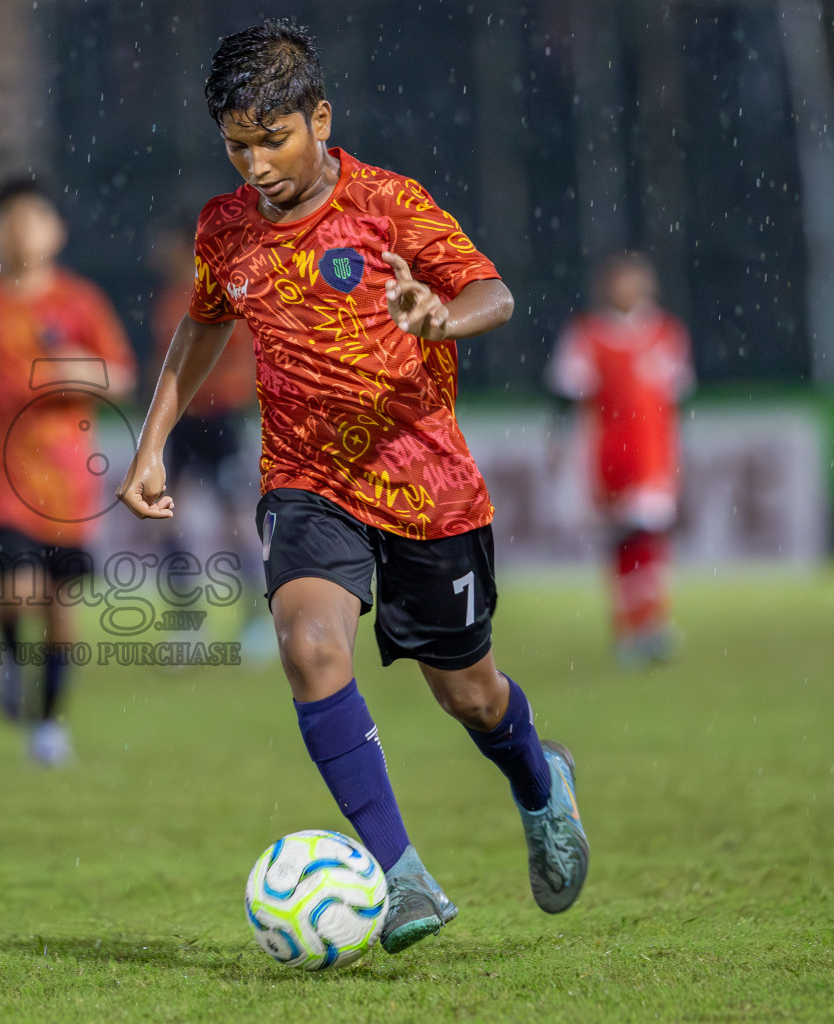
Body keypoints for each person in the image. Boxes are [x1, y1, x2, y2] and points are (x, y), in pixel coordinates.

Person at [117, 20, 589, 954]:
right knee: (305, 641)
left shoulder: (387, 205)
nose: (255, 165)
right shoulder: (224, 229)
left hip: (426, 490)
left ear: (320, 118)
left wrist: (440, 316)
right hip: (306, 482)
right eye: (237, 146)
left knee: (469, 695)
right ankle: (400, 876)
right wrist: (150, 443)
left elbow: (492, 291)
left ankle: (542, 783)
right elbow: (204, 326)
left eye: (274, 139)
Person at [0, 177, 135, 766]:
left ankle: (48, 723)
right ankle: (10, 657)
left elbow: (119, 375)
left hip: (67, 480)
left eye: (33, 219)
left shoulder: (79, 302)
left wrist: (75, 371)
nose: (21, 232)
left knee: (61, 607)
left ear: (55, 231)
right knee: (18, 587)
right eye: (10, 220)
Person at [549, 252, 693, 666]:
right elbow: (566, 394)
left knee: (647, 537)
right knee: (623, 542)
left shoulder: (666, 333)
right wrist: (558, 444)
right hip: (607, 457)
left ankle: (650, 624)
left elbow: (677, 398)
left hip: (653, 455)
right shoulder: (588, 335)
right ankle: (633, 629)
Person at [148, 223, 273, 658]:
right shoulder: (167, 301)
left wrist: (215, 387)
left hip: (220, 422)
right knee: (166, 518)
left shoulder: (223, 294)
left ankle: (257, 623)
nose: (157, 250)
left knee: (238, 523)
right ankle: (186, 626)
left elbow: (246, 362)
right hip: (182, 424)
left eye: (164, 241)